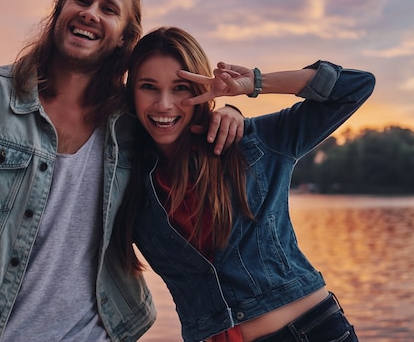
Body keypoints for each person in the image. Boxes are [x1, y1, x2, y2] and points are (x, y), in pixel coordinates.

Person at [0, 0, 243, 342]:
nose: (91, 13)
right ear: (59, 10)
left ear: (125, 38)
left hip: (99, 331)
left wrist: (232, 111)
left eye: (109, 9)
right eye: (81, 0)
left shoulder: (133, 119)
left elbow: (186, 133)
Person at [111, 27, 375, 342]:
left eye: (181, 87)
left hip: (310, 332)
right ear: (132, 93)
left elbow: (356, 86)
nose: (164, 104)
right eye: (149, 87)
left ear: (203, 88)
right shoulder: (123, 175)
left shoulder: (253, 142)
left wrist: (253, 84)